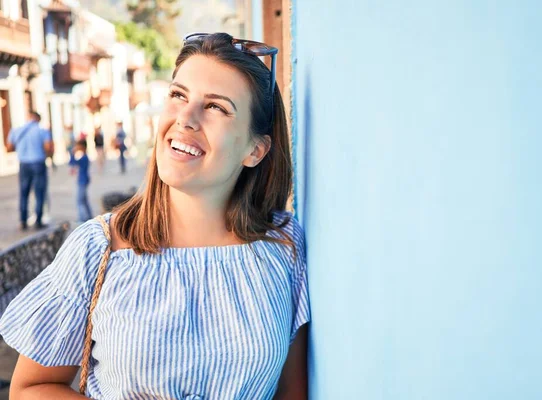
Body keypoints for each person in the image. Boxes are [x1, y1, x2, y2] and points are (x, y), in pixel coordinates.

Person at [0, 33, 310, 399]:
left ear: (255, 150)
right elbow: (31, 388)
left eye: (216, 107)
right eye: (178, 95)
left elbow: (293, 392)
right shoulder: (99, 249)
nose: (185, 119)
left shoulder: (283, 247)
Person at [6, 111, 54, 230]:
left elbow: (9, 148)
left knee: (24, 193)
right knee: (39, 192)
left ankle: (23, 221)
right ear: (37, 119)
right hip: (38, 162)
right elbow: (48, 147)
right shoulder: (42, 130)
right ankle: (38, 220)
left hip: (24, 164)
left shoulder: (17, 130)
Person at [69, 139, 93, 223]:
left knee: (80, 200)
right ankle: (89, 216)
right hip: (83, 180)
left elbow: (72, 163)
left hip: (82, 181)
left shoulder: (84, 158)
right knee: (84, 200)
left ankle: (82, 218)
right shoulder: (84, 157)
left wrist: (72, 153)